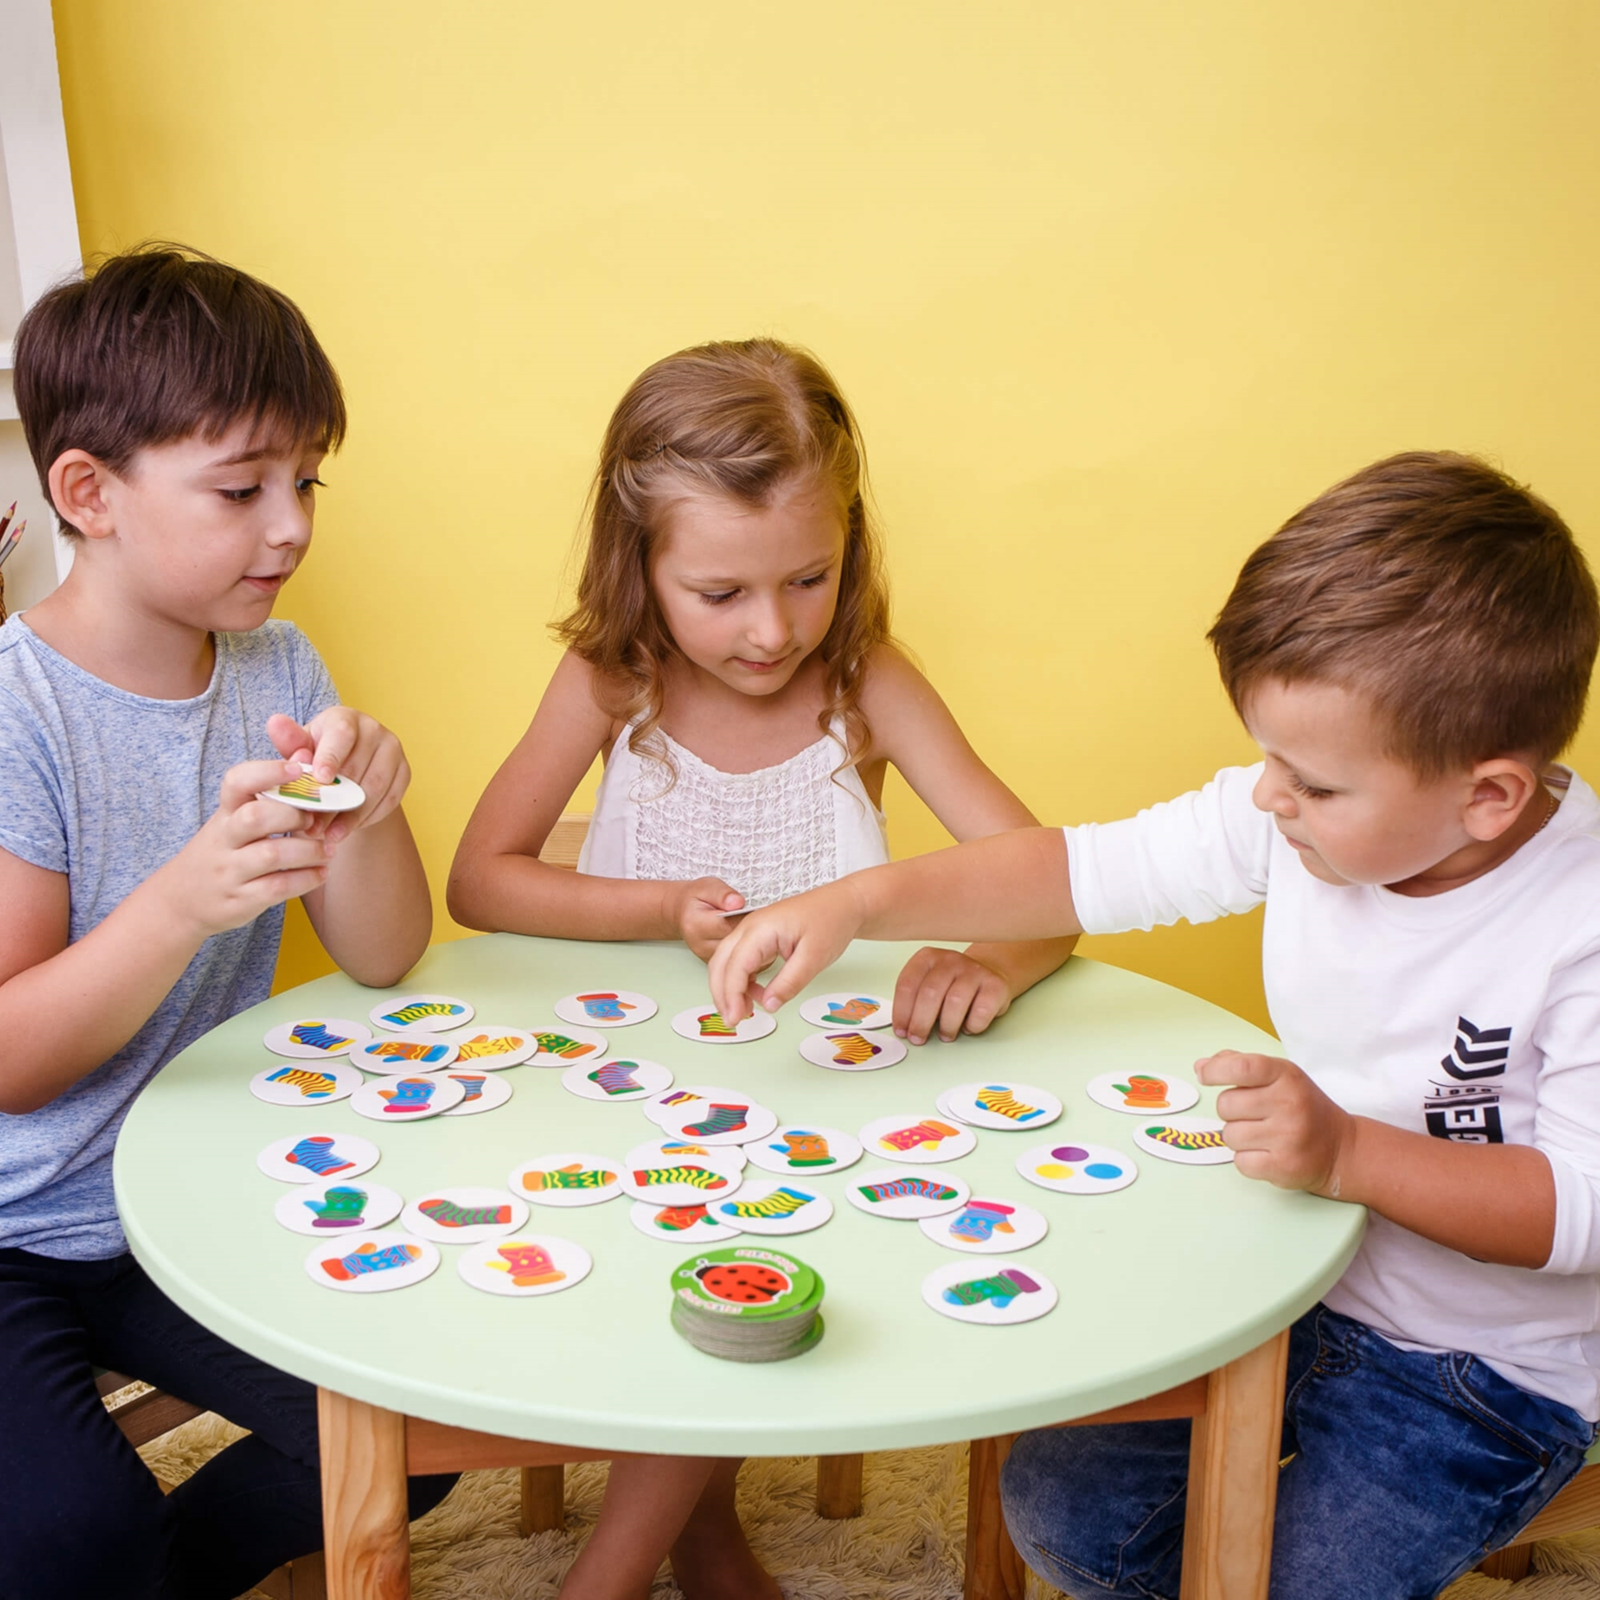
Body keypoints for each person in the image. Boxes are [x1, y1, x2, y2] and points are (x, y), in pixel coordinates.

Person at [707, 451, 1600, 1598]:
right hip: (1295, 1286)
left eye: (1313, 783)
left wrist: (1349, 1153)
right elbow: (1079, 871)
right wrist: (859, 900)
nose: (1269, 798)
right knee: (1063, 1511)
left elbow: (1581, 1211)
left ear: (1487, 796)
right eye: (1263, 759)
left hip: (1491, 1372)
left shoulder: (1578, 928)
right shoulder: (1292, 812)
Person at [448, 337, 1075, 1599]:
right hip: (622, 1091)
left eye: (809, 578)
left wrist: (992, 961)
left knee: (764, 1229)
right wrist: (659, 908)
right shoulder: (609, 678)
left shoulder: (865, 682)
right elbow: (479, 878)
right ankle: (689, 1532)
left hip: (812, 1099)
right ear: (642, 567)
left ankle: (626, 1563)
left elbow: (1049, 882)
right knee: (677, 1228)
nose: (774, 629)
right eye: (721, 592)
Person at [0, 246, 455, 1600]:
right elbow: (14, 1058)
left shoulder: (279, 663)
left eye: (306, 480)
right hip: (15, 1221)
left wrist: (367, 815)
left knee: (410, 1433)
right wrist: (184, 899)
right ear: (87, 494)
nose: (293, 525)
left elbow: (385, 953)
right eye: (243, 487)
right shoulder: (22, 709)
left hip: (187, 1200)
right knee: (71, 1534)